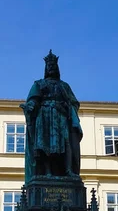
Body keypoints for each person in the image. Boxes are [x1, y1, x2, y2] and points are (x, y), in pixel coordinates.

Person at [21, 50, 83, 181]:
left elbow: (74, 102)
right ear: (46, 68)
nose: (52, 68)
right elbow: (33, 99)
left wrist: (67, 107)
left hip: (60, 117)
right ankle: (47, 172)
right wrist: (30, 106)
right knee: (44, 145)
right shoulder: (39, 84)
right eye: (50, 66)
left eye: (54, 66)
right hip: (44, 117)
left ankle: (68, 171)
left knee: (66, 143)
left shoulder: (64, 86)